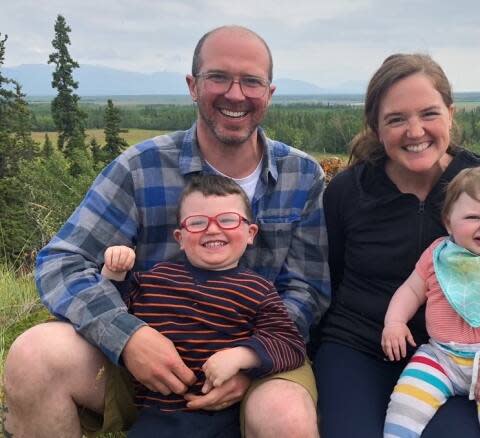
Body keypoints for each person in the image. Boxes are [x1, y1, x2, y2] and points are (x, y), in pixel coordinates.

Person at [3, 26, 329, 438]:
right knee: (34, 356)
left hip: (258, 358)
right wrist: (128, 337)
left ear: (269, 92)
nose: (235, 93)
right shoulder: (140, 166)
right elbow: (62, 261)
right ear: (193, 86)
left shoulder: (301, 174)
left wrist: (250, 358)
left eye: (251, 81)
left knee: (287, 416)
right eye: (218, 77)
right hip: (148, 363)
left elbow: (307, 290)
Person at [313, 53, 480, 437]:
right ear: (376, 126)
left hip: (464, 356)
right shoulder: (348, 190)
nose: (414, 131)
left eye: (428, 113)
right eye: (396, 119)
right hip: (357, 347)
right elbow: (329, 279)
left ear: (450, 114)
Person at [100, 174, 306, 437]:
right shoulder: (156, 279)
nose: (212, 229)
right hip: (156, 417)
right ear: (180, 237)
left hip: (224, 420)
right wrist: (114, 272)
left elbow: (290, 343)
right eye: (197, 223)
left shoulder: (258, 290)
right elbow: (115, 311)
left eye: (228, 220)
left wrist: (242, 356)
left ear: (250, 233)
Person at [382, 165, 480, 438]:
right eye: (473, 216)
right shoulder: (438, 255)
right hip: (441, 355)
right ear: (448, 221)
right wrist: (394, 322)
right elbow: (411, 290)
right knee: (404, 407)